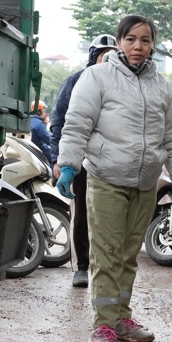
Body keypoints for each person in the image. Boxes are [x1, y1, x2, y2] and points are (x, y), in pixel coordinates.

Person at [55, 15, 172, 342]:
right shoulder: (97, 77)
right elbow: (76, 124)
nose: (138, 46)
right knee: (106, 253)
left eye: (145, 40)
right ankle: (102, 326)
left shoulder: (162, 86)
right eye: (131, 39)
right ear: (119, 42)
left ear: (152, 46)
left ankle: (121, 319)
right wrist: (69, 165)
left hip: (145, 182)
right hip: (106, 178)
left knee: (130, 254)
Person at [49, 34, 118, 288]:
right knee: (82, 214)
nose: (108, 58)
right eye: (103, 54)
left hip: (111, 162)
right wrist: (59, 159)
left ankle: (107, 267)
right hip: (80, 159)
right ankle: (81, 267)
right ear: (93, 56)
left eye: (113, 53)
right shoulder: (76, 80)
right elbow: (60, 123)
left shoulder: (122, 82)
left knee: (110, 217)